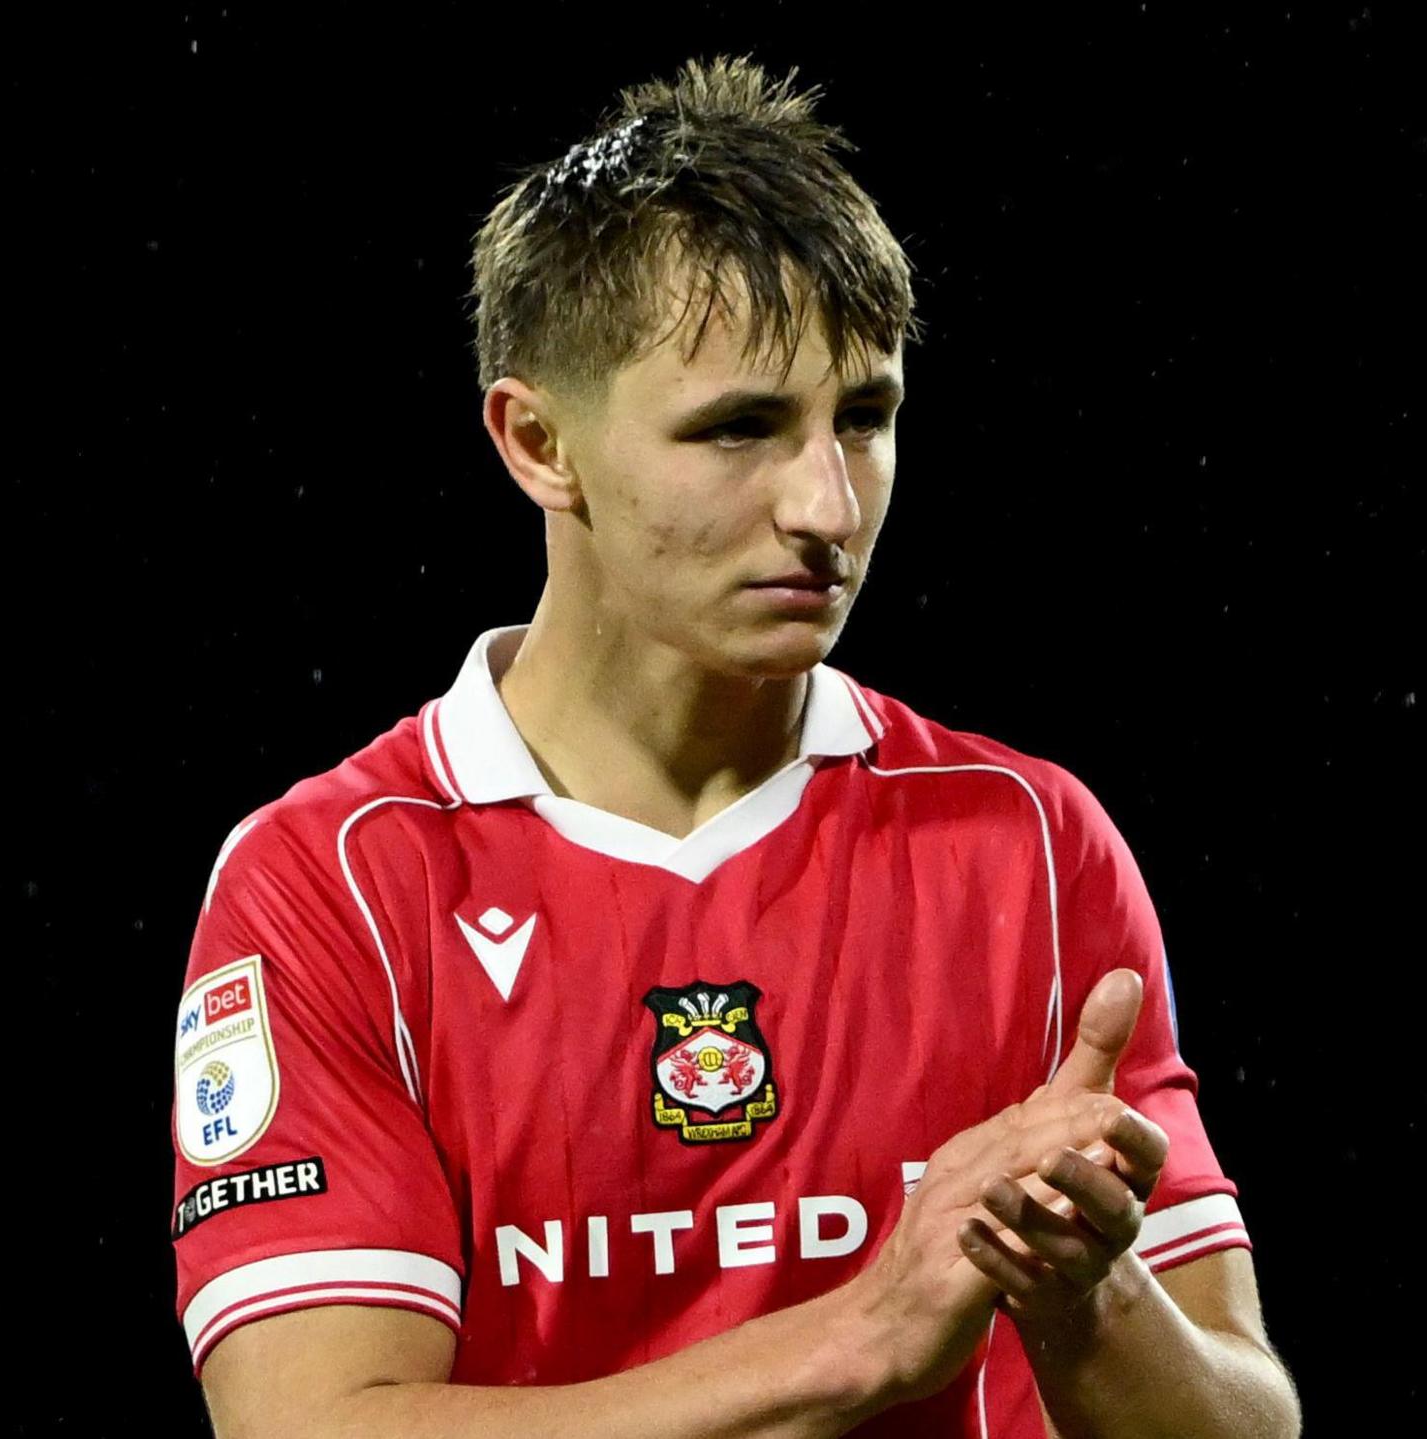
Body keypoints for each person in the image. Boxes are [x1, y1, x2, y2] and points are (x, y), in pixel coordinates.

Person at [169, 54, 1301, 1439]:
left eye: (865, 419)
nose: (827, 504)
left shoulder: (1029, 841)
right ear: (538, 443)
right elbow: (310, 1430)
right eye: (742, 429)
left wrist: (1085, 1292)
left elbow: (1247, 1425)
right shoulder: (332, 880)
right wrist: (862, 1339)